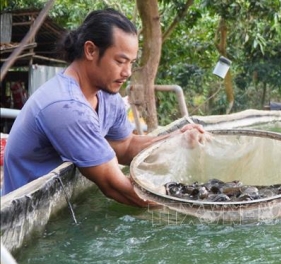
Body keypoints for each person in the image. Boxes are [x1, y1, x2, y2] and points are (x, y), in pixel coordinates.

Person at [1, 8, 205, 207]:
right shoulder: (65, 107)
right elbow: (116, 187)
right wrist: (193, 203)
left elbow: (126, 147)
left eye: (131, 63)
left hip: (65, 206)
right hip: (22, 225)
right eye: (120, 61)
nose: (127, 72)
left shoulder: (107, 96)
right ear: (90, 50)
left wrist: (177, 140)